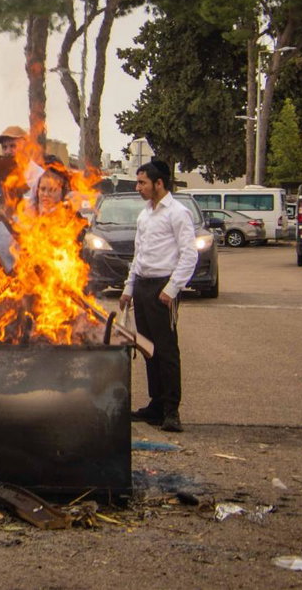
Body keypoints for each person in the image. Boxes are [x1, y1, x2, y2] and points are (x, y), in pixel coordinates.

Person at [117, 160, 196, 434]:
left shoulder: (177, 213)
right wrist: (128, 288)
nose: (138, 187)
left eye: (142, 183)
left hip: (163, 288)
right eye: (138, 183)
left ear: (158, 183)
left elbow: (189, 254)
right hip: (143, 286)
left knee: (167, 351)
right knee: (148, 349)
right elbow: (139, 255)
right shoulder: (145, 215)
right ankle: (155, 404)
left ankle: (171, 410)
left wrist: (172, 288)